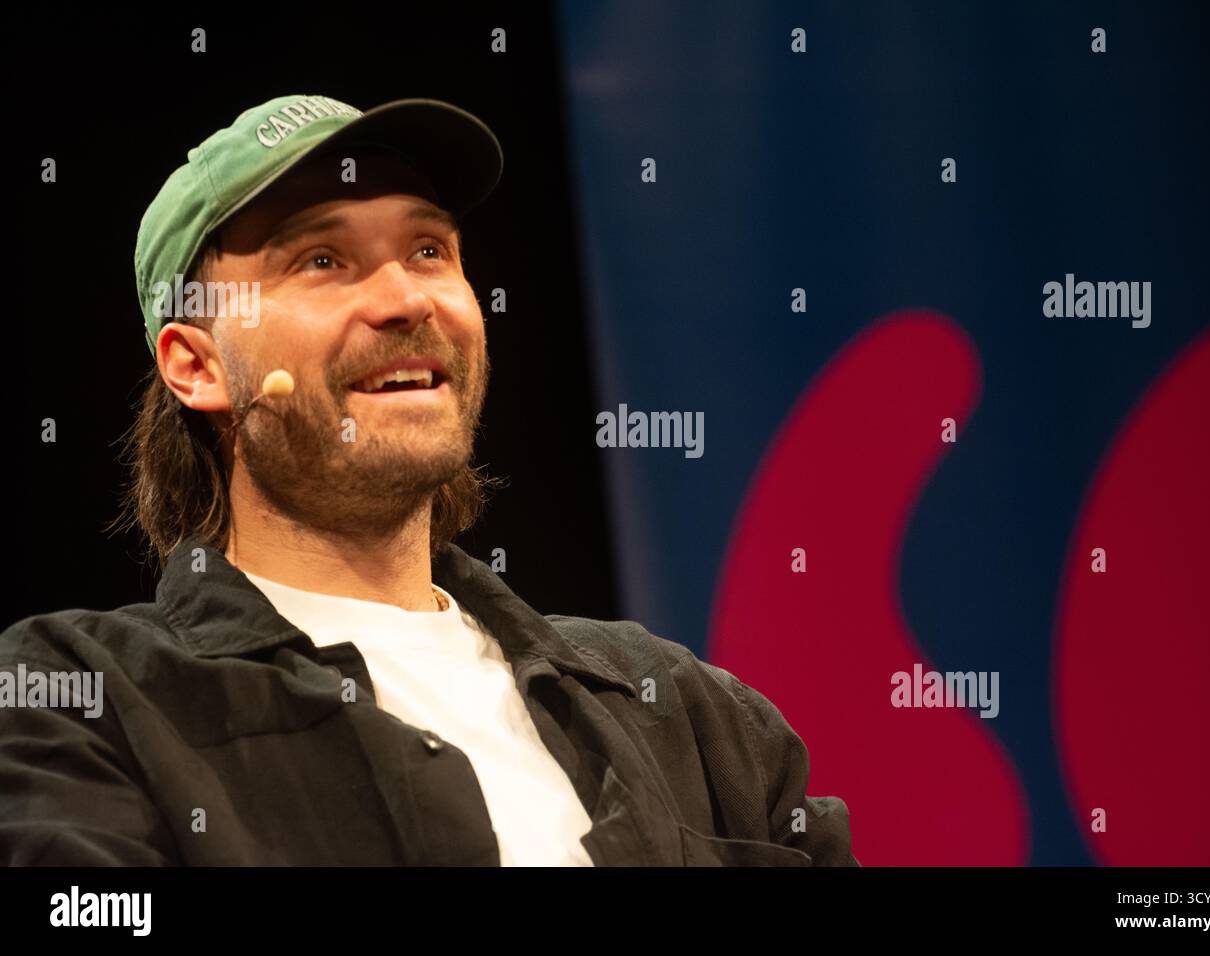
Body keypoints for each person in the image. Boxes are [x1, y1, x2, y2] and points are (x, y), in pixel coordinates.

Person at [0, 94, 857, 866]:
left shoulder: (693, 714)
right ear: (196, 367)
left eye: (427, 249)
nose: (407, 298)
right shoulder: (81, 702)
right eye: (322, 261)